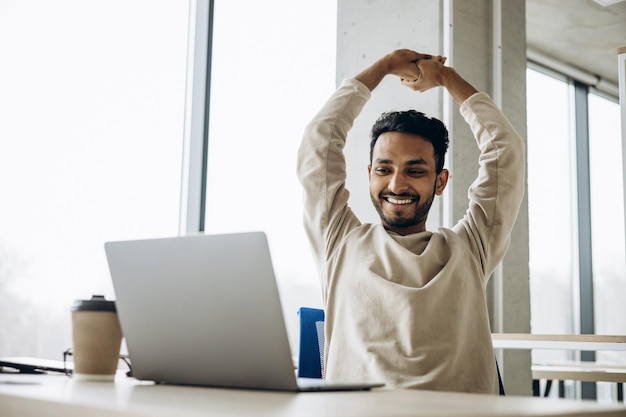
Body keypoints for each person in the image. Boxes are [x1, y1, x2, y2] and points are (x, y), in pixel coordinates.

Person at [297, 49, 524, 394]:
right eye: (384, 169)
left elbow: (504, 151)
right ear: (370, 174)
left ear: (440, 181)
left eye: (415, 171)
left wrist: (447, 78)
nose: (397, 185)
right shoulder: (339, 240)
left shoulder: (471, 246)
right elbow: (319, 142)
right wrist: (384, 66)